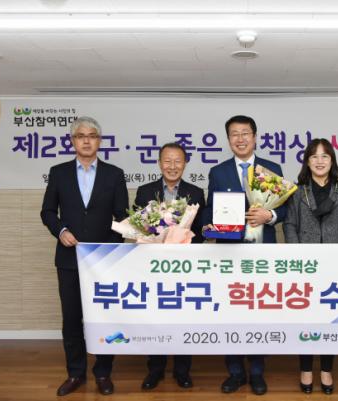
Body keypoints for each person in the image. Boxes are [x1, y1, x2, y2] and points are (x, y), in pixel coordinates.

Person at [41, 116, 129, 396]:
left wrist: (107, 249)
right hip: (69, 259)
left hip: (104, 260)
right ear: (73, 141)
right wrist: (61, 230)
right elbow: (47, 211)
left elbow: (122, 217)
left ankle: (103, 372)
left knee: (104, 317)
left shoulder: (114, 174)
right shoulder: (59, 173)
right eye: (81, 136)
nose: (87, 140)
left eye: (92, 136)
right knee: (72, 318)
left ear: (99, 141)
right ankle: (75, 373)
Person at [202, 115, 287, 395]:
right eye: (234, 134)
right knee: (231, 311)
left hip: (261, 251)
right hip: (229, 252)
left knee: (258, 311)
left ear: (255, 137)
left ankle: (258, 372)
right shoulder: (218, 172)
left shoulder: (271, 168)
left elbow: (285, 208)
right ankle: (236, 372)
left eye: (245, 133)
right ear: (229, 140)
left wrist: (269, 215)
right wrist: (207, 224)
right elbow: (210, 208)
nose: (240, 139)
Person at [283, 138, 338, 395]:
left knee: (329, 319)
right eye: (314, 156)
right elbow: (289, 225)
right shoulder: (297, 192)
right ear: (307, 161)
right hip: (306, 265)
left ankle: (326, 369)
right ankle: (305, 369)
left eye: (325, 156)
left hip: (335, 265)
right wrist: (297, 254)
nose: (320, 161)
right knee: (306, 318)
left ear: (332, 161)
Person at [133, 142, 205, 390]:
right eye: (167, 161)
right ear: (159, 163)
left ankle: (182, 370)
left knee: (183, 318)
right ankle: (155, 369)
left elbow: (200, 233)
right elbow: (138, 228)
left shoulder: (196, 193)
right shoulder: (145, 191)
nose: (172, 166)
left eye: (178, 161)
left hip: (185, 267)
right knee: (155, 318)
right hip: (153, 267)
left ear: (185, 164)